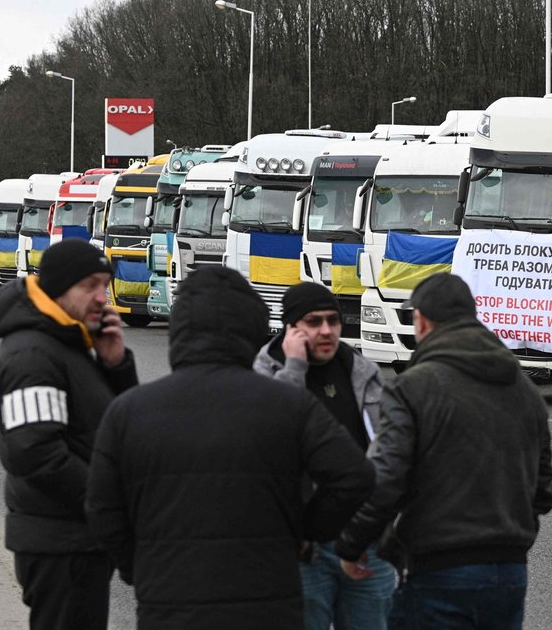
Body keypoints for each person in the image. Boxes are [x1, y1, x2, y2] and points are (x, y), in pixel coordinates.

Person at [84, 266, 376, 630]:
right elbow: (356, 476)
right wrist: (303, 530)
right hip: (269, 602)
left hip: (169, 603)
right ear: (252, 328)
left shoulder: (128, 412)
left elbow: (101, 509)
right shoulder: (288, 405)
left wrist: (137, 566)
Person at [334, 272, 552, 629]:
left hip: (439, 567)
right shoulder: (524, 390)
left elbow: (386, 477)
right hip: (510, 569)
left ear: (421, 320)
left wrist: (352, 542)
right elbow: (542, 493)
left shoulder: (412, 388)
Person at [0, 238, 138, 630]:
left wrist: (116, 366)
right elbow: (34, 454)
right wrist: (106, 503)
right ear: (58, 288)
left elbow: (120, 428)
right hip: (59, 543)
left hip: (78, 537)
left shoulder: (67, 343)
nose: (103, 297)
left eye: (105, 285)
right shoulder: (32, 356)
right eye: (90, 285)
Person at [254, 281, 394, 630]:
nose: (327, 331)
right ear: (291, 328)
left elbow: (387, 450)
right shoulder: (264, 374)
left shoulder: (361, 371)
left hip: (366, 542)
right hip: (303, 549)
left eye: (333, 320)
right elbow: (274, 443)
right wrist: (295, 369)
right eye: (314, 322)